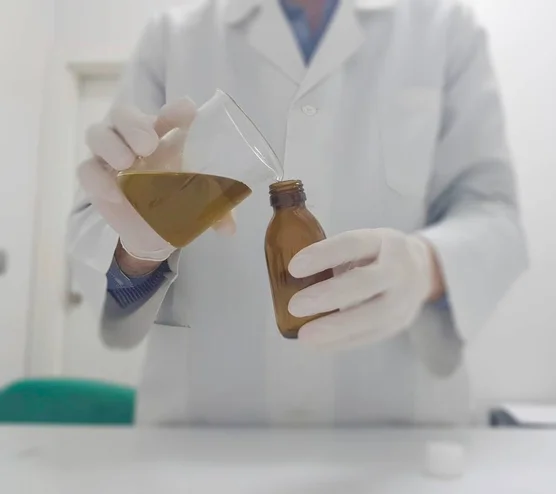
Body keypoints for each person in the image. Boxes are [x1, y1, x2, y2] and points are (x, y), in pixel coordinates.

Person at [68, 0, 528, 426]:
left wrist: (428, 266)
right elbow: (95, 235)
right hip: (209, 438)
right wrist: (137, 253)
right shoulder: (173, 35)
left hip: (393, 441)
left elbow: (494, 215)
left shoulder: (443, 28)